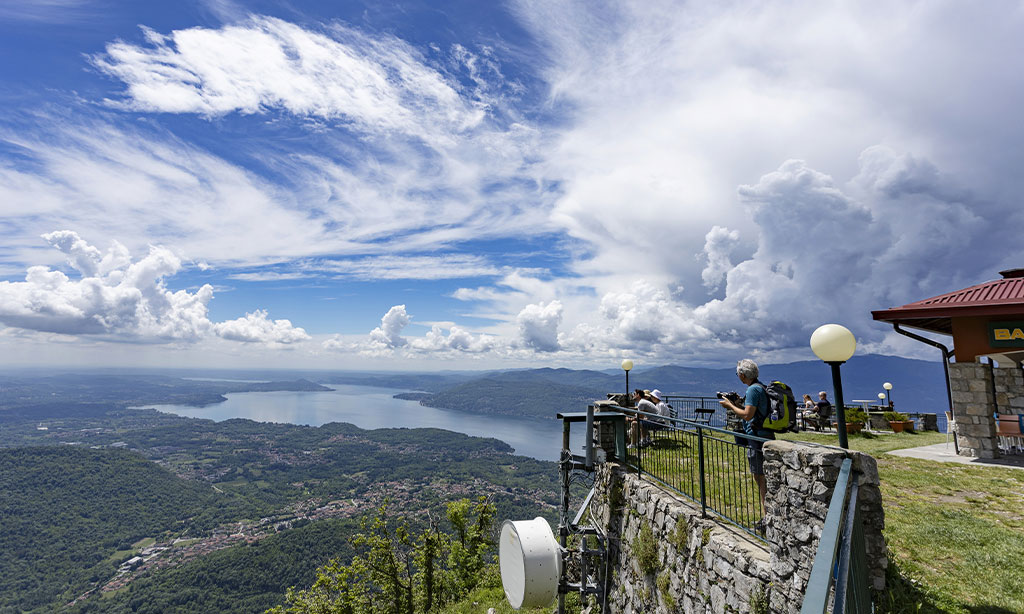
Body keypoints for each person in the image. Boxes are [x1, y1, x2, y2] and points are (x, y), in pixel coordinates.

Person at [718, 358, 774, 530]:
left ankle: (767, 519)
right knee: (764, 478)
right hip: (765, 435)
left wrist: (729, 405)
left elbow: (748, 415)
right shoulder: (761, 387)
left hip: (757, 438)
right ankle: (768, 516)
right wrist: (737, 405)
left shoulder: (752, 390)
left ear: (742, 375)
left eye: (738, 374)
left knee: (761, 478)